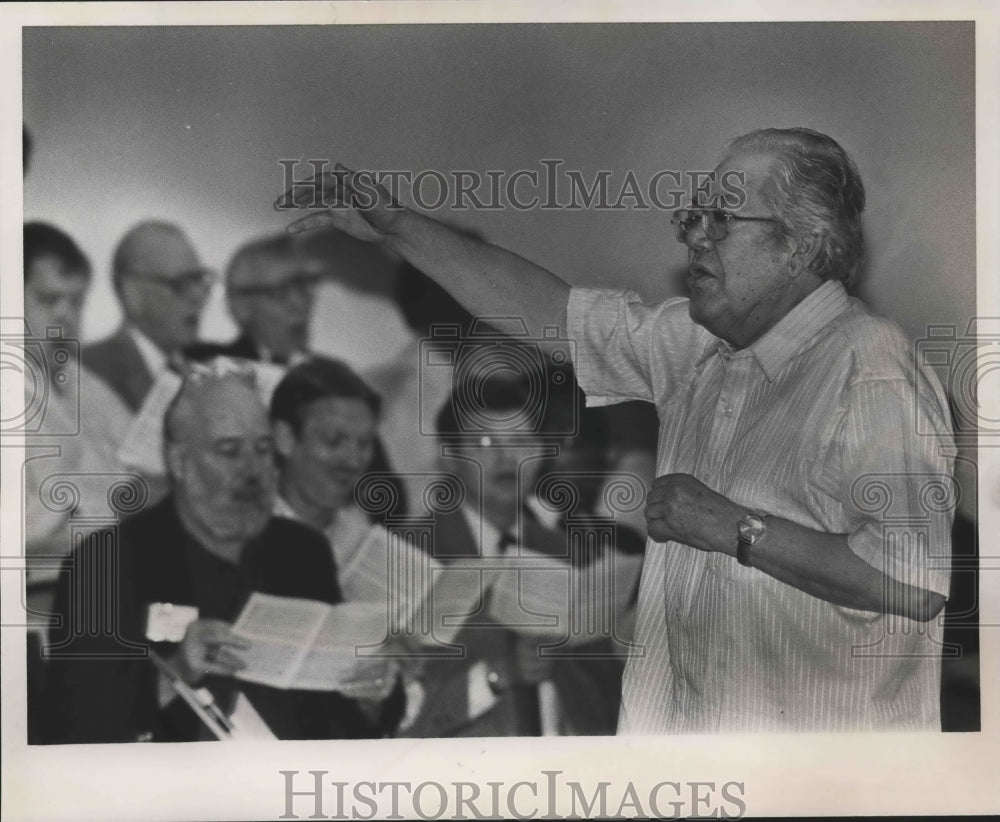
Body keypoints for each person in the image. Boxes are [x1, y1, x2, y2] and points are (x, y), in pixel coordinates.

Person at [275, 127, 956, 732]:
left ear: (803, 244)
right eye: (693, 216)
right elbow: (547, 312)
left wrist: (733, 528)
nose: (693, 235)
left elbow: (911, 581)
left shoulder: (873, 370)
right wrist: (398, 226)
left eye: (721, 217)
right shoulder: (695, 346)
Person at [39, 363, 388, 742]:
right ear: (180, 463)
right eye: (229, 451)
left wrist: (371, 694)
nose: (253, 471)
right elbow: (75, 728)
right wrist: (175, 674)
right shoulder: (106, 564)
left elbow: (341, 716)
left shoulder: (302, 551)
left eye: (263, 449)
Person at [82, 221, 213, 412]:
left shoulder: (208, 377)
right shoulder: (87, 372)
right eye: (181, 283)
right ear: (132, 293)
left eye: (199, 280)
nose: (198, 297)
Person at [187, 234, 322, 365]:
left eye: (304, 286)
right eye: (281, 292)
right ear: (242, 306)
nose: (300, 304)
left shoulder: (330, 377)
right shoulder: (205, 365)